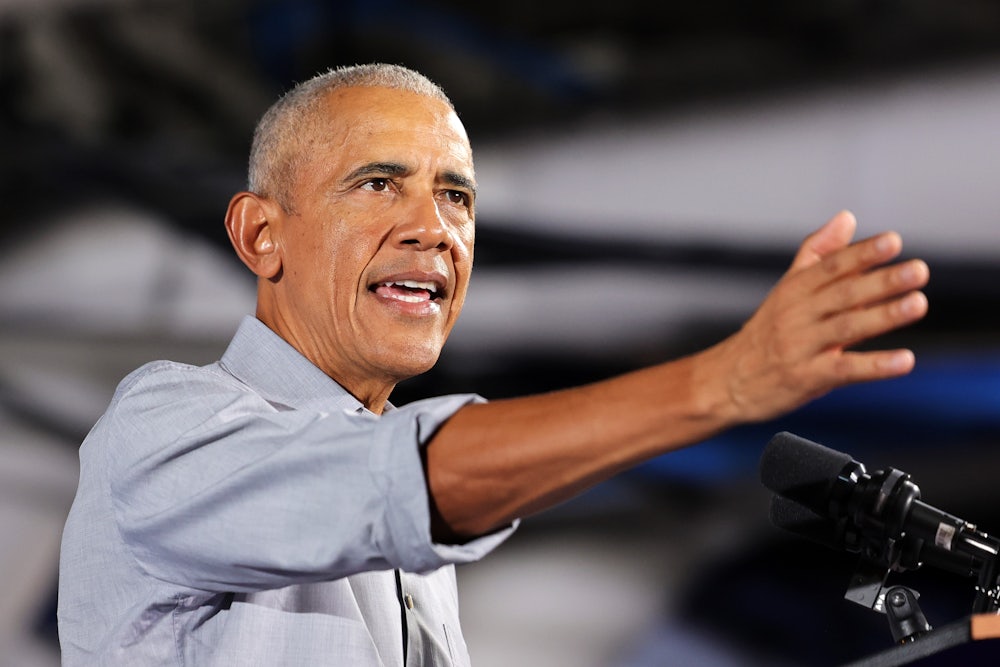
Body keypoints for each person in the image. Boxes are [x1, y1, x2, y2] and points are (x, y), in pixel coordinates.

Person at [57, 63, 930, 666]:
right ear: (260, 233)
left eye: (456, 196)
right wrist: (721, 383)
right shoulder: (162, 429)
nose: (434, 228)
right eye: (377, 183)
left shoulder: (403, 514)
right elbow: (403, 482)